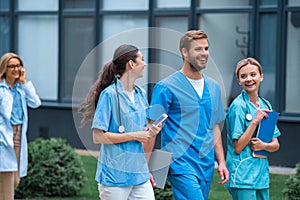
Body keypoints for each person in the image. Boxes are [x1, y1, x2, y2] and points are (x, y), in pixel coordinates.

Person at [149, 30, 229, 200]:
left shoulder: (213, 87)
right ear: (184, 52)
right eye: (198, 49)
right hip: (179, 162)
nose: (204, 53)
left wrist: (221, 161)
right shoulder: (165, 87)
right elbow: (152, 126)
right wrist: (145, 164)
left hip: (205, 164)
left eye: (206, 49)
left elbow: (214, 127)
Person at [78, 44, 161, 200]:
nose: (145, 64)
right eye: (142, 60)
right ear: (131, 64)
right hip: (115, 176)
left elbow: (141, 129)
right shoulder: (109, 95)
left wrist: (151, 130)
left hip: (139, 174)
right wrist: (134, 135)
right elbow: (98, 137)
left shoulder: (141, 94)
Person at [225, 57, 280, 200]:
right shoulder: (238, 107)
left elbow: (275, 144)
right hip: (243, 176)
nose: (248, 79)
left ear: (261, 77)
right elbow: (238, 147)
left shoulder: (266, 105)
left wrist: (264, 145)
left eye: (253, 74)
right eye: (243, 76)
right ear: (238, 81)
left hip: (261, 177)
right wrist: (255, 121)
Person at [0, 52, 41, 200]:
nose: (16, 69)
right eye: (12, 66)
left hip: (18, 136)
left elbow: (36, 103)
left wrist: (24, 83)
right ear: (5, 68)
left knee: (15, 179)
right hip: (3, 136)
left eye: (18, 66)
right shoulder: (1, 89)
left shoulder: (21, 89)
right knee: (7, 179)